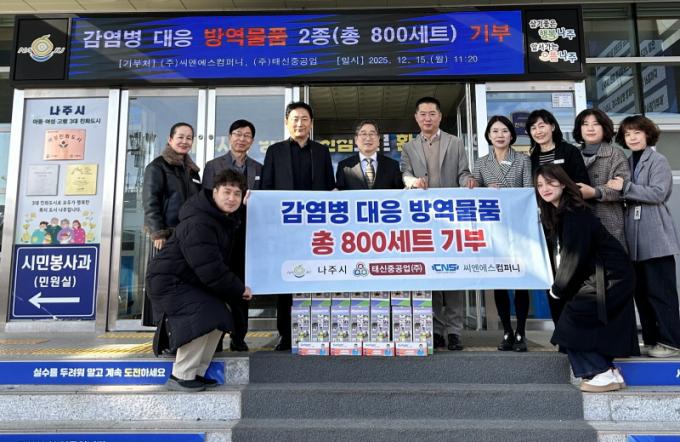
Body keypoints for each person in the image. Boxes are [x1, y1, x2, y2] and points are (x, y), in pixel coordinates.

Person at [146, 169, 253, 392]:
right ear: (214, 192)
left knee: (221, 316)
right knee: (206, 314)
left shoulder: (221, 219)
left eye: (237, 194)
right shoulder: (200, 222)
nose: (232, 198)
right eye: (226, 192)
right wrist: (239, 289)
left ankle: (197, 372)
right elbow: (210, 268)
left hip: (188, 280)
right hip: (169, 281)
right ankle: (181, 375)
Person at [535, 164, 638, 392]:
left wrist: (558, 288)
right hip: (606, 275)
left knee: (570, 326)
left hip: (610, 276)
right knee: (589, 325)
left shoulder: (573, 212)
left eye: (550, 182)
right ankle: (609, 371)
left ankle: (599, 373)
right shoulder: (561, 212)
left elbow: (574, 256)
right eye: (540, 185)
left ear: (563, 183)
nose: (545, 188)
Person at [401, 96, 476, 351]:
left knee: (453, 274)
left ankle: (454, 331)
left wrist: (467, 182)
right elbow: (405, 173)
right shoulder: (408, 147)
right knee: (429, 274)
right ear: (416, 118)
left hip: (450, 220)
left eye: (432, 113)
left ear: (440, 116)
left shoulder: (455, 142)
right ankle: (435, 329)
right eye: (422, 114)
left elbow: (463, 172)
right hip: (422, 221)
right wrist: (411, 182)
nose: (427, 118)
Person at [261, 101, 335, 351]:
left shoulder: (321, 151)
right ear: (287, 122)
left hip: (316, 229)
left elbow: (329, 186)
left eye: (304, 119)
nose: (300, 123)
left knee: (316, 277)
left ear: (311, 123)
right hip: (286, 228)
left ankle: (317, 329)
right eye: (295, 119)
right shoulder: (275, 151)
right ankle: (285, 333)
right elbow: (266, 188)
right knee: (287, 279)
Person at [606, 115, 680, 358]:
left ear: (647, 134)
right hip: (634, 238)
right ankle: (651, 339)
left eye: (637, 132)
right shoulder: (628, 162)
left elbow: (658, 193)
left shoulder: (657, 160)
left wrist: (625, 188)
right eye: (627, 134)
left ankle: (671, 342)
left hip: (655, 234)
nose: (633, 138)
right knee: (642, 292)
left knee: (661, 292)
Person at [473, 116, 532, 352]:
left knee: (521, 282)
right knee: (499, 281)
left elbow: (528, 191)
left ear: (511, 135)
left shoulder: (523, 160)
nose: (500, 135)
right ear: (488, 135)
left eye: (504, 131)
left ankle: (521, 332)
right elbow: (473, 194)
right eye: (495, 131)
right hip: (493, 229)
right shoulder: (481, 163)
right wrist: (483, 190)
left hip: (519, 228)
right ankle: (506, 330)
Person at [203, 119, 262, 352]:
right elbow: (206, 200)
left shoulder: (258, 168)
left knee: (240, 287)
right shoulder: (213, 166)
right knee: (216, 286)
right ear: (229, 137)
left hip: (245, 237)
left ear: (252, 141)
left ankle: (239, 337)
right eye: (238, 134)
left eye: (247, 135)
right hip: (218, 234)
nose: (242, 139)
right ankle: (215, 338)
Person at [526, 109, 590, 325]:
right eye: (533, 128)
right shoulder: (532, 158)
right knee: (551, 274)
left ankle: (574, 327)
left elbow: (581, 184)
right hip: (545, 223)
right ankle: (560, 328)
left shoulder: (569, 151)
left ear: (552, 126)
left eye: (542, 125)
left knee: (571, 272)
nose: (538, 131)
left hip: (570, 219)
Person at [142, 122, 201, 326]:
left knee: (182, 285)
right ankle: (162, 329)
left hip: (187, 236)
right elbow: (150, 201)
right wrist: (158, 233)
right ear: (170, 139)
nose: (185, 141)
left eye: (189, 138)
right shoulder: (157, 166)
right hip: (166, 237)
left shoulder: (192, 171)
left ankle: (179, 327)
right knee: (163, 283)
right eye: (180, 137)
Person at [572, 109, 630, 249]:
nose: (590, 128)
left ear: (604, 127)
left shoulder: (615, 154)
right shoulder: (572, 153)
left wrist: (595, 192)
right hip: (579, 220)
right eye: (585, 124)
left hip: (609, 220)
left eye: (596, 124)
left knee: (613, 260)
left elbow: (622, 188)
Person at [335, 120, 403, 190]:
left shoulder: (392, 165)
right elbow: (339, 192)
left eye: (372, 134)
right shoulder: (344, 167)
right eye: (363, 134)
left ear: (378, 139)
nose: (368, 138)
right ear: (356, 140)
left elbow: (400, 192)